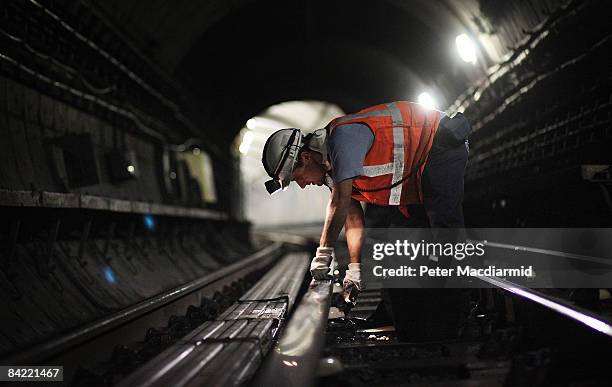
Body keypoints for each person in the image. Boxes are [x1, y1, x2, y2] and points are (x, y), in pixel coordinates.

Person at [261, 101, 471, 325]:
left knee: (444, 231)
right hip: (414, 173)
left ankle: (457, 313)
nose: (302, 184)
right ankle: (398, 313)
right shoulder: (332, 170)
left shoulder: (342, 138)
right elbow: (351, 216)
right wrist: (354, 268)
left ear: (306, 158)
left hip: (438, 144)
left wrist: (323, 255)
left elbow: (339, 203)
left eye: (297, 177)